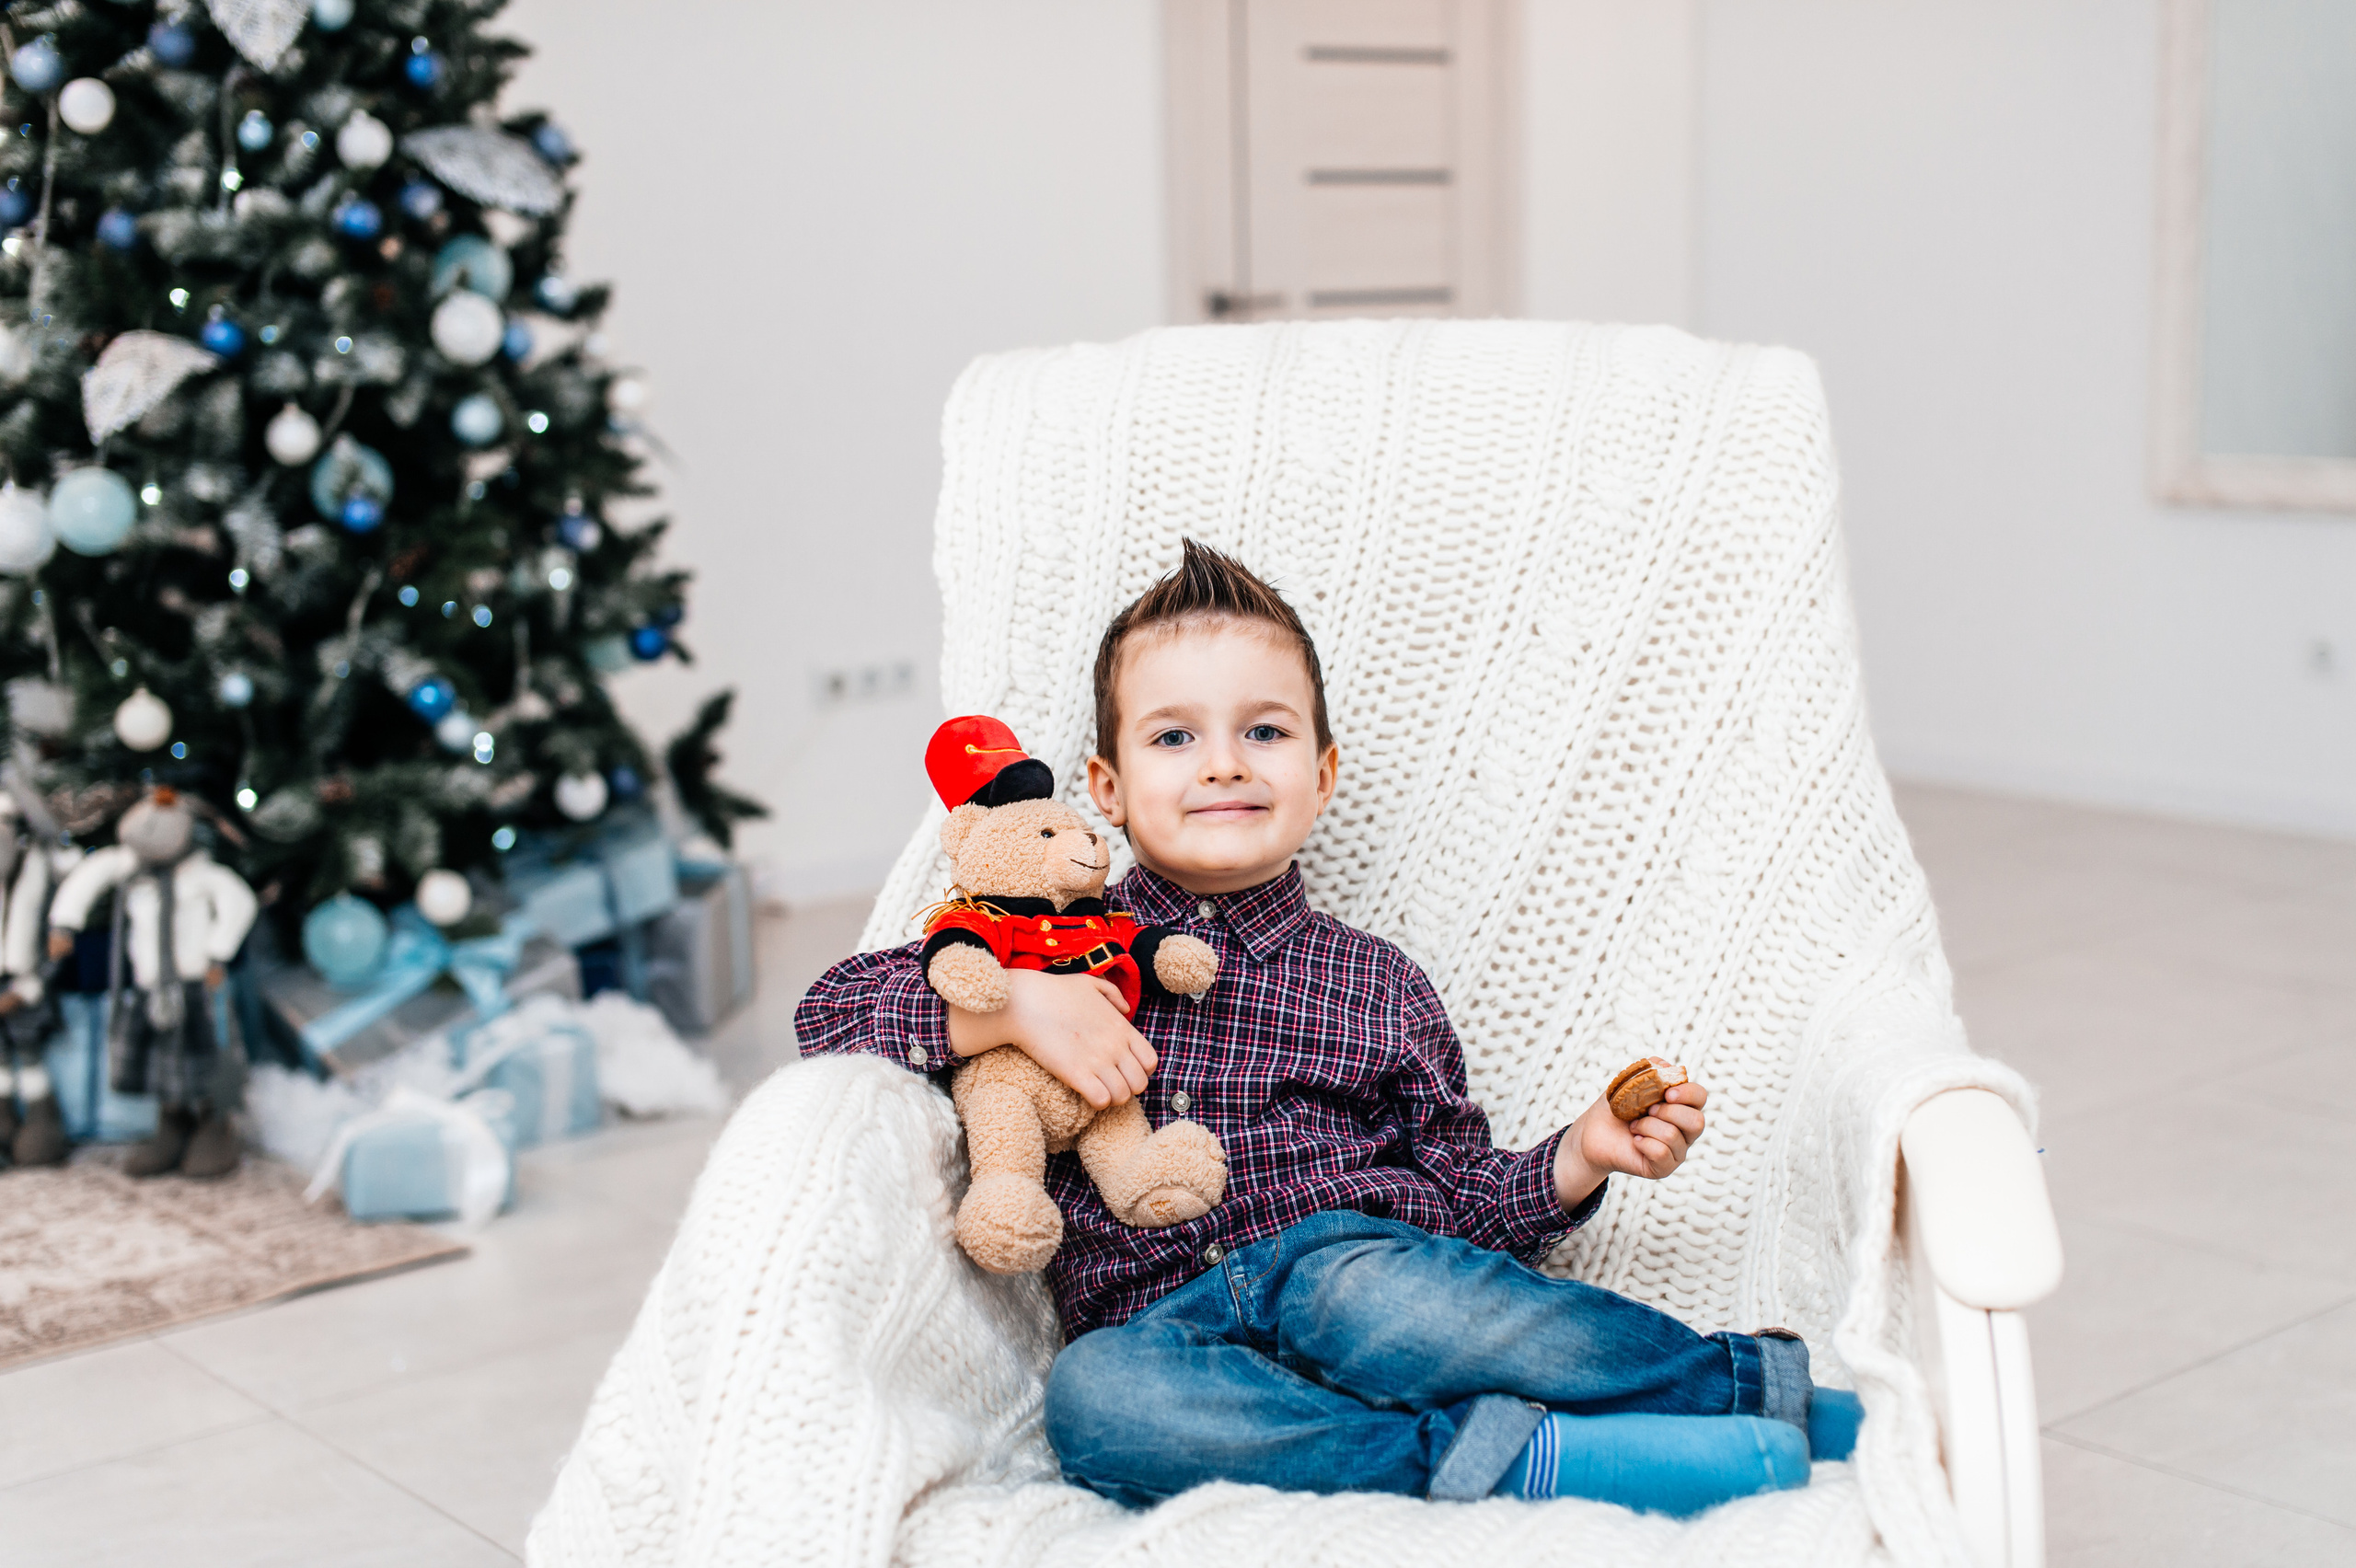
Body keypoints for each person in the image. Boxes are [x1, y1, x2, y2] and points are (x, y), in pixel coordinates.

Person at [795, 541, 1863, 1513]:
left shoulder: (1375, 983)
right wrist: (1018, 1005)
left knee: (1401, 1306)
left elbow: (1464, 1203)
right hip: (1163, 1325)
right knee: (1097, 1402)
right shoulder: (1039, 944)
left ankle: (1753, 1393)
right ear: (1107, 791)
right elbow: (827, 1014)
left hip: (1343, 1264)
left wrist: (1581, 1156)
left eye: (1263, 732)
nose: (1222, 763)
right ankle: (1500, 1459)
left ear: (1321, 775)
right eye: (1176, 737)